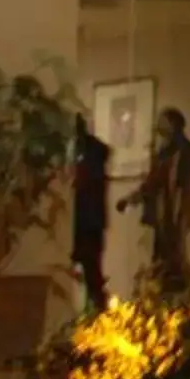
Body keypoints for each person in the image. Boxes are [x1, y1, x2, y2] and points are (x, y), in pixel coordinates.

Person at [120, 108, 190, 293]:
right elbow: (152, 183)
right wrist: (132, 199)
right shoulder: (165, 154)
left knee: (173, 256)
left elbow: (176, 187)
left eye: (163, 121)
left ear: (173, 125)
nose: (158, 125)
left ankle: (175, 297)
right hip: (163, 213)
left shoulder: (180, 154)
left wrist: (179, 215)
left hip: (172, 213)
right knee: (163, 256)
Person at [71, 115, 112, 313]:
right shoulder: (92, 152)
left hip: (86, 219)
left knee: (91, 268)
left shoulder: (89, 154)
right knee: (91, 269)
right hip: (88, 219)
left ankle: (96, 311)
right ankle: (94, 309)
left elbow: (83, 184)